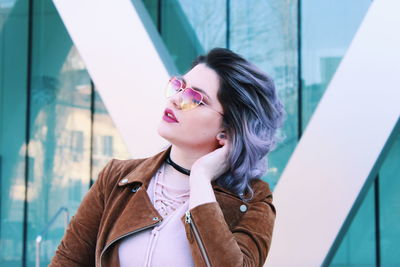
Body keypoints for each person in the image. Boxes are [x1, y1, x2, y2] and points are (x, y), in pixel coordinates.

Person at [50, 47, 285, 267]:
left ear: (227, 131)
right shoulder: (117, 179)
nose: (175, 99)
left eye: (195, 98)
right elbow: (67, 261)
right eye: (179, 86)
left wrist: (200, 178)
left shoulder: (252, 200)